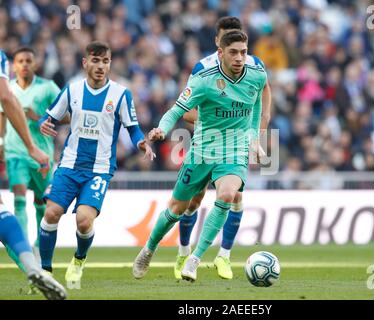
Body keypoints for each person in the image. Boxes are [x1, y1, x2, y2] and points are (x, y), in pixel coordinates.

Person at [133, 30, 267, 282]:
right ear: (221, 53)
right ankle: (148, 249)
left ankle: (195, 259)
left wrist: (254, 139)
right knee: (176, 209)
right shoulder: (204, 80)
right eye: (233, 52)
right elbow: (177, 110)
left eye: (243, 52)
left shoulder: (257, 74)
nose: (239, 58)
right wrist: (163, 127)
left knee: (228, 195)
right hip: (202, 151)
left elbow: (256, 103)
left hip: (234, 150)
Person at [38, 41, 154, 289]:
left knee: (83, 220)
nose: (101, 66)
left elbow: (132, 128)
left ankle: (78, 261)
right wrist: (43, 123)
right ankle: (45, 272)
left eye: (106, 61)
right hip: (69, 165)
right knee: (51, 214)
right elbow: (48, 116)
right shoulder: (72, 90)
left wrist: (141, 143)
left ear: (110, 63)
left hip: (100, 169)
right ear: (85, 63)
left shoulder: (121, 94)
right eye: (96, 60)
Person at [174, 16, 272, 280]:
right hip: (207, 145)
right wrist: (223, 118)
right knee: (192, 201)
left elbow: (264, 94)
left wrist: (258, 134)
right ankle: (183, 252)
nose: (237, 51)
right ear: (218, 42)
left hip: (235, 146)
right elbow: (186, 112)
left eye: (239, 38)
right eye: (228, 37)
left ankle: (224, 256)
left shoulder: (254, 66)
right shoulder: (202, 70)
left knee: (234, 196)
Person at [0, 49, 67, 300]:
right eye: (20, 61)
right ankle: (34, 267)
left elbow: (66, 114)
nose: (25, 65)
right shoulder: (1, 65)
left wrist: (41, 119)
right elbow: (5, 100)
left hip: (42, 155)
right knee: (12, 205)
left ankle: (37, 261)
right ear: (13, 66)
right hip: (19, 153)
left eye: (29, 60)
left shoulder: (47, 87)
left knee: (44, 206)